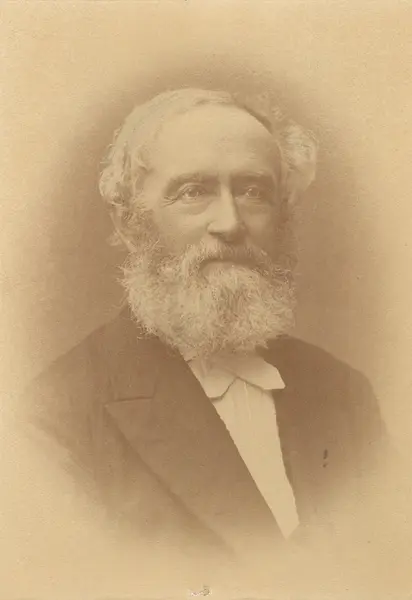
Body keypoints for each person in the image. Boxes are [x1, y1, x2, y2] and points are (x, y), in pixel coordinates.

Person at [18, 88, 388, 583]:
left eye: (253, 191)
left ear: (283, 215)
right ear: (129, 223)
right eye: (193, 191)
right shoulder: (55, 418)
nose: (231, 223)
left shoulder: (345, 393)